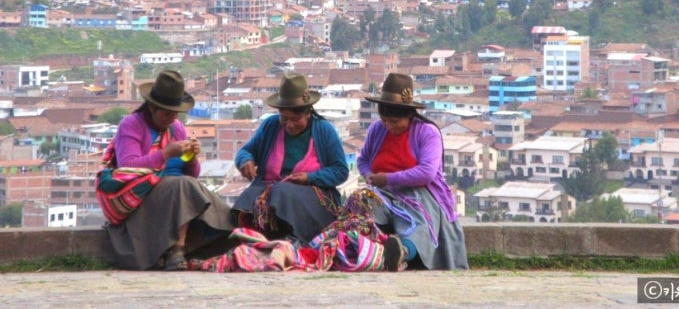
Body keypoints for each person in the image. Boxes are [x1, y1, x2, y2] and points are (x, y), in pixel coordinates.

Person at [101, 70, 235, 270]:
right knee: (184, 185)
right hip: (143, 194)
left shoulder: (177, 128)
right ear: (152, 108)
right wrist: (164, 154)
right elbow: (127, 168)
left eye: (175, 113)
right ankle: (178, 250)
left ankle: (224, 237)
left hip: (177, 191)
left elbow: (191, 174)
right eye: (166, 113)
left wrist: (191, 157)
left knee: (197, 192)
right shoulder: (131, 125)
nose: (171, 118)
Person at [359, 72, 469, 271]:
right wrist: (369, 175)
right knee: (361, 206)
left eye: (395, 121)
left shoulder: (427, 133)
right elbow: (363, 160)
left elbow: (426, 172)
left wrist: (388, 178)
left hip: (420, 191)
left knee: (420, 219)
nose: (389, 126)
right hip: (383, 190)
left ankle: (402, 251)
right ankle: (366, 250)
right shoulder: (377, 129)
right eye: (385, 121)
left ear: (409, 115)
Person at [232, 73, 349, 244]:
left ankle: (294, 237)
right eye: (284, 118)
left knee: (282, 192)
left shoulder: (324, 130)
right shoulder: (270, 125)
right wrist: (245, 161)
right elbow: (246, 151)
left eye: (296, 119)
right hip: (269, 189)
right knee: (251, 195)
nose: (289, 125)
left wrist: (309, 177)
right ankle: (251, 237)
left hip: (312, 194)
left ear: (308, 112)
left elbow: (340, 171)